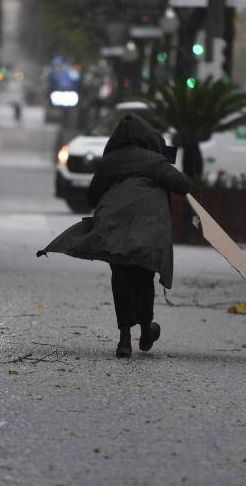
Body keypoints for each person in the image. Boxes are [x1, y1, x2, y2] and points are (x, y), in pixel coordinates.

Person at [37, 114, 191, 358]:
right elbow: (184, 185)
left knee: (121, 276)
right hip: (147, 230)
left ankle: (124, 339)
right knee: (143, 276)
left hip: (113, 229)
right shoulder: (156, 162)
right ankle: (145, 330)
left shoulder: (110, 162)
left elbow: (91, 196)